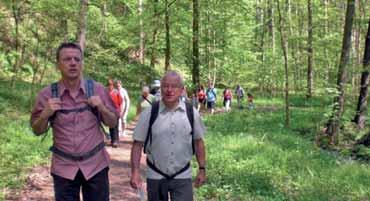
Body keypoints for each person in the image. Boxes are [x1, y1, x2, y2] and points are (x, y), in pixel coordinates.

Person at [30, 42, 118, 201]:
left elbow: (112, 123)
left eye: (77, 59)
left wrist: (102, 108)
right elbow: (37, 130)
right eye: (67, 59)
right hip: (64, 169)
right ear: (58, 64)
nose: (73, 63)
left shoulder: (97, 89)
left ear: (82, 63)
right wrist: (45, 115)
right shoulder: (47, 94)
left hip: (96, 166)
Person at [130, 71, 207, 201]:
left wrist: (202, 169)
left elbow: (199, 142)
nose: (169, 90)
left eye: (174, 86)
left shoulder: (191, 113)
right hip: (155, 175)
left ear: (182, 90)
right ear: (161, 88)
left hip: (182, 175)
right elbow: (137, 145)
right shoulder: (149, 113)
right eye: (165, 86)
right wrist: (135, 172)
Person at [108, 79, 122, 147]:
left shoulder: (116, 92)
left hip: (116, 111)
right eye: (108, 84)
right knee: (111, 126)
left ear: (113, 85)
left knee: (115, 126)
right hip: (109, 112)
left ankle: (116, 141)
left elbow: (120, 102)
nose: (109, 86)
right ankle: (112, 140)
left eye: (111, 84)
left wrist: (120, 111)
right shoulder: (106, 92)